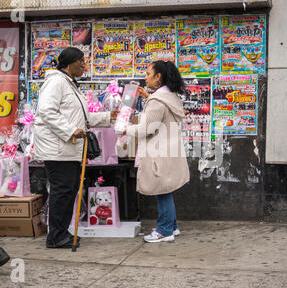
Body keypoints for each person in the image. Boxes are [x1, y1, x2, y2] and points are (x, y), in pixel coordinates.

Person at [33, 47, 117, 249]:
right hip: (57, 150)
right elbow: (47, 112)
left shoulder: (70, 84)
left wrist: (108, 117)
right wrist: (71, 130)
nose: (84, 66)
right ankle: (55, 237)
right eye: (81, 62)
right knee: (62, 192)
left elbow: (83, 118)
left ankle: (61, 232)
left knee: (68, 191)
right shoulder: (55, 82)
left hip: (68, 150)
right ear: (70, 63)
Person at [124, 60, 190, 243]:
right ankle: (172, 226)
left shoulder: (157, 101)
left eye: (147, 73)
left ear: (158, 77)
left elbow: (146, 129)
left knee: (162, 191)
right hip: (169, 151)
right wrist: (148, 98)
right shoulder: (170, 96)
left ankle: (165, 230)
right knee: (166, 190)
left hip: (158, 153)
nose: (145, 77)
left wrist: (125, 129)